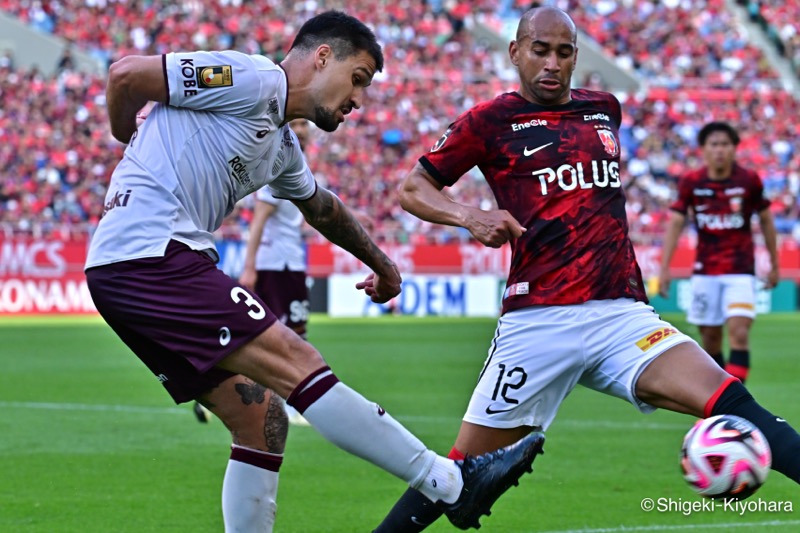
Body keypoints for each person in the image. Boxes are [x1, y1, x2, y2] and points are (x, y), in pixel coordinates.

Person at [84, 11, 545, 532]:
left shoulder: (282, 146)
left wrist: (382, 265)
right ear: (323, 57)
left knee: (261, 419)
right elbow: (126, 75)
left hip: (131, 268)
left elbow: (322, 209)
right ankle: (451, 485)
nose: (359, 100)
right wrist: (126, 135)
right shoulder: (252, 78)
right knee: (298, 360)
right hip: (151, 256)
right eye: (358, 79)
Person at [373, 7, 800, 532]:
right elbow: (413, 188)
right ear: (515, 52)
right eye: (540, 51)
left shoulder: (603, 109)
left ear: (576, 56)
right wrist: (470, 216)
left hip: (621, 315)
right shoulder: (488, 121)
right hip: (538, 321)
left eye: (564, 52)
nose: (552, 63)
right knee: (457, 477)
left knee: (732, 400)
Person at [194, 119, 313, 426]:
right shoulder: (278, 171)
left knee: (265, 336)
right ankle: (290, 404)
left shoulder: (296, 168)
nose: (302, 130)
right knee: (290, 335)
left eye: (305, 124)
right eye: (297, 123)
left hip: (288, 262)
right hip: (276, 265)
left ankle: (214, 395)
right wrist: (250, 267)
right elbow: (258, 221)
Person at [658, 122, 779, 384]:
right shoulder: (692, 182)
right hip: (705, 272)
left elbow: (766, 220)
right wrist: (664, 267)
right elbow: (676, 222)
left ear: (735, 148)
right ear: (703, 149)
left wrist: (775, 263)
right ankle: (723, 395)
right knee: (710, 339)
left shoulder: (748, 181)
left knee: (739, 332)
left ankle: (737, 399)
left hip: (741, 270)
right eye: (714, 144)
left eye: (725, 144)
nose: (720, 150)